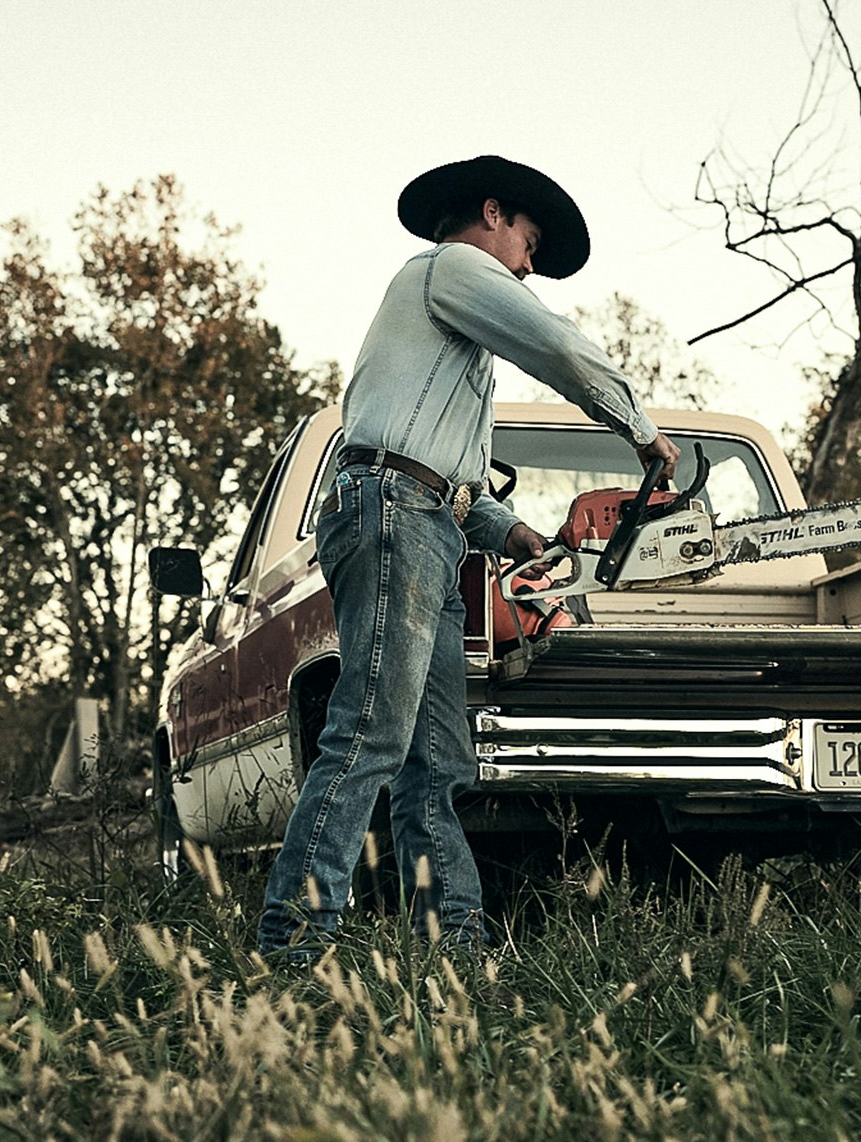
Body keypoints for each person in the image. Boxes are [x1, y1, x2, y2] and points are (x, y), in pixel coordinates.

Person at [258, 155, 681, 962]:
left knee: (439, 761)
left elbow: (446, 472)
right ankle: (293, 945)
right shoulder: (448, 267)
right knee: (368, 735)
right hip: (394, 516)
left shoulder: (448, 347)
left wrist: (509, 531)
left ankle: (454, 950)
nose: (529, 267)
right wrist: (638, 427)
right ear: (492, 214)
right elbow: (554, 345)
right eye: (528, 243)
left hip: (428, 525)